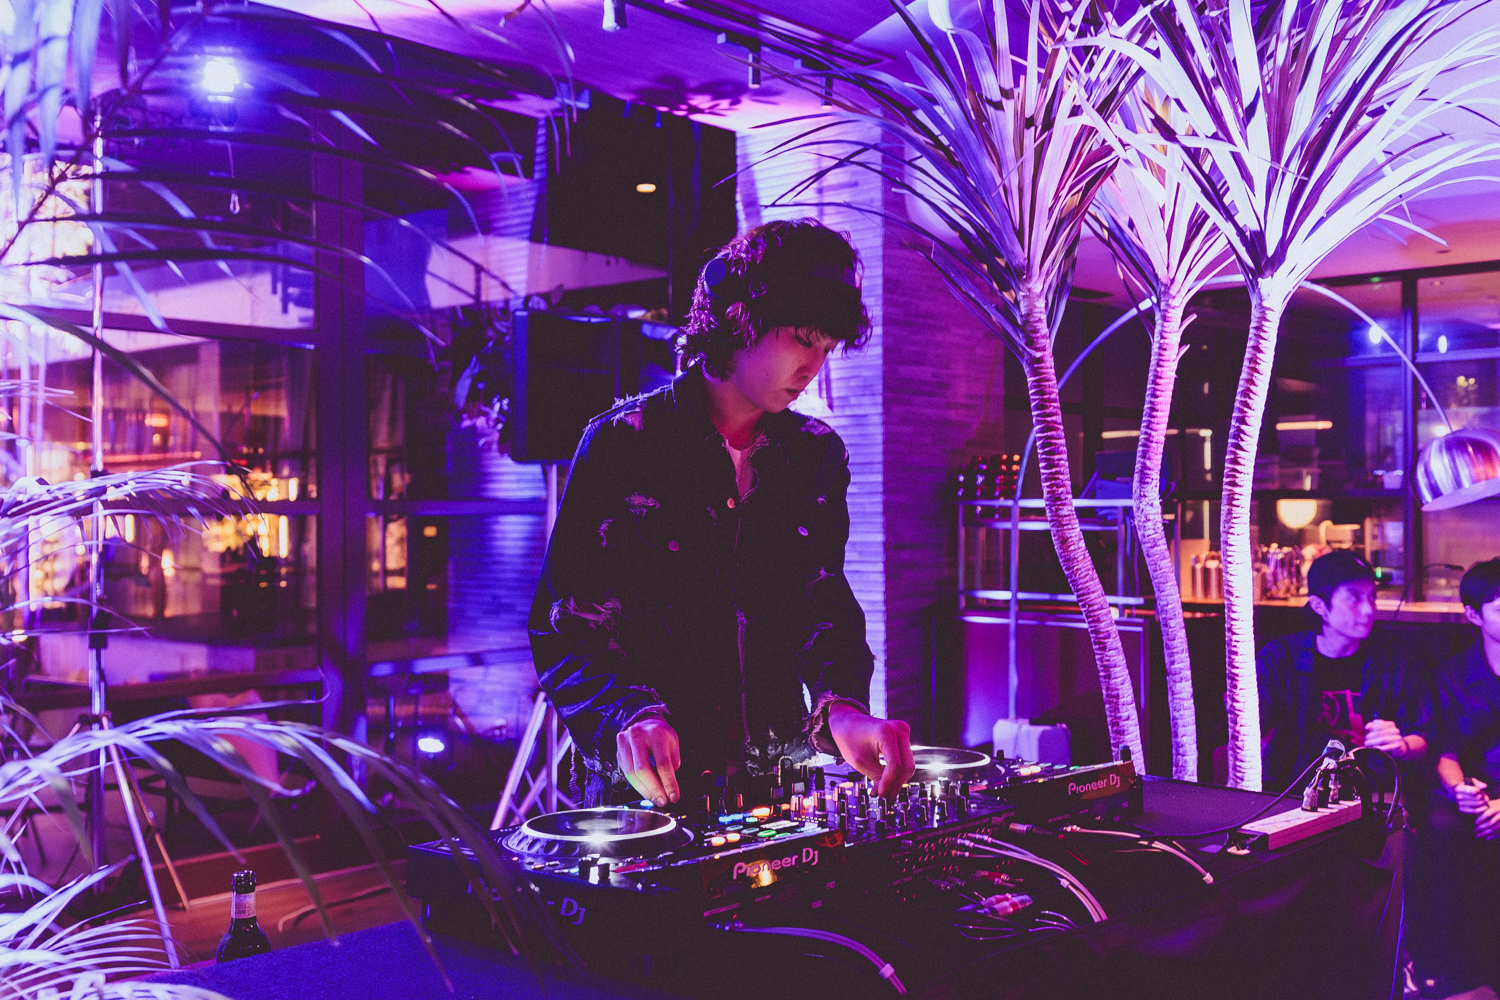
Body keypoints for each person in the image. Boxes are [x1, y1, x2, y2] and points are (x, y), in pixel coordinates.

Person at [528, 219, 915, 809]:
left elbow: (821, 600)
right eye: (802, 339)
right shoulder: (623, 444)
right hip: (648, 792)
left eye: (826, 348)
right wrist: (629, 714)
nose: (813, 366)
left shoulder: (816, 455)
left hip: (776, 781)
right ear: (739, 319)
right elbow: (566, 626)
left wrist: (843, 708)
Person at [1255, 549, 1429, 790]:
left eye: (1372, 598)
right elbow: (1252, 732)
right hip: (1294, 792)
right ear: (1319, 606)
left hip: (1371, 792)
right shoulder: (1280, 658)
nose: (1369, 610)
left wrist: (1402, 745)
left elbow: (1425, 737)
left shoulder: (1395, 660)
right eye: (1354, 598)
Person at [1421, 558, 1500, 993]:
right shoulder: (1452, 674)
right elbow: (1445, 750)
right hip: (1478, 790)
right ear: (1473, 615)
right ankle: (1451, 971)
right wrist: (1460, 790)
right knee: (1442, 827)